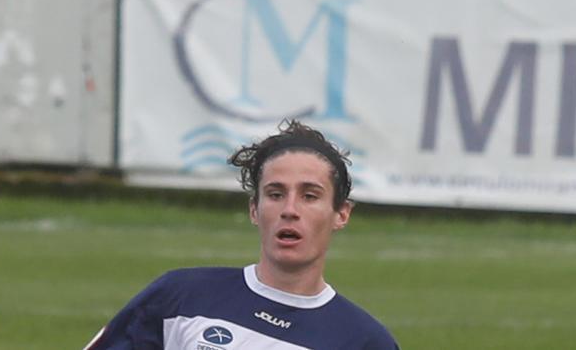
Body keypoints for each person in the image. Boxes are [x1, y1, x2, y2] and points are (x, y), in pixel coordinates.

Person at [84, 120, 398, 349]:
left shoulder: (364, 341)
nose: (290, 209)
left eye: (309, 196)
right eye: (275, 194)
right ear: (254, 209)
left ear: (341, 213)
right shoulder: (179, 298)